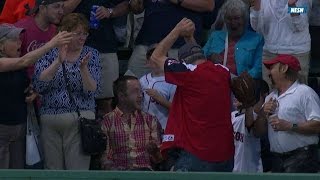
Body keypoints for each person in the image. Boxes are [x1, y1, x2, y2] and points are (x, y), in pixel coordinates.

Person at [151, 18, 234, 172]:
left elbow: (155, 58)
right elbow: (198, 62)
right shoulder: (222, 71)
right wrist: (189, 37)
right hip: (225, 156)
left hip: (198, 155)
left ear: (183, 62)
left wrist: (177, 30)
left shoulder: (187, 73)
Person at [32, 13, 101, 170]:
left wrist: (83, 69)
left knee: (77, 170)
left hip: (80, 120)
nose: (82, 37)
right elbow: (39, 85)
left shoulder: (92, 54)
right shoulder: (48, 52)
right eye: (78, 33)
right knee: (52, 169)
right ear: (64, 33)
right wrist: (58, 62)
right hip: (50, 118)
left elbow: (92, 92)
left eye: (85, 33)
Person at [0, 23, 72, 169]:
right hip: (2, 130)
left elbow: (25, 86)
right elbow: (24, 60)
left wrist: (33, 92)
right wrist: (52, 44)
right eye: (14, 40)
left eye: (19, 39)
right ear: (1, 45)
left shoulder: (20, 67)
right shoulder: (8, 62)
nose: (20, 43)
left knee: (17, 173)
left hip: (20, 128)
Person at [254, 54, 320, 173]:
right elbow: (258, 132)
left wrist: (290, 126)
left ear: (284, 69)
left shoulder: (305, 93)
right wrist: (263, 114)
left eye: (272, 68)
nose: (269, 73)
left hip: (302, 158)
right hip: (276, 159)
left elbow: (317, 125)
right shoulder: (270, 97)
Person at [128, 0, 214, 78]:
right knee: (132, 84)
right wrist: (136, 4)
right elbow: (137, 9)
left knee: (176, 89)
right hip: (147, 43)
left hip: (179, 47)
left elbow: (209, 5)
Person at [74, 0, 130, 116]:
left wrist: (110, 11)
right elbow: (62, 9)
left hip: (106, 46)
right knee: (79, 97)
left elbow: (126, 4)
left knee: (108, 100)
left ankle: (107, 132)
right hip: (76, 48)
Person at [100, 75, 162, 170]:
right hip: (119, 174)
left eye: (140, 91)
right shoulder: (107, 121)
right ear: (121, 96)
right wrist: (115, 171)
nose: (140, 95)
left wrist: (154, 152)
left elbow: (158, 160)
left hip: (144, 173)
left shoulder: (150, 120)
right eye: (135, 91)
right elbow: (105, 157)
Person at [250, 0, 312, 85]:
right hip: (270, 52)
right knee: (270, 92)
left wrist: (292, 5)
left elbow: (300, 26)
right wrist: (256, 6)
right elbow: (257, 28)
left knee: (297, 93)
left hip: (296, 53)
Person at [203, 0, 263, 79]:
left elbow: (258, 68)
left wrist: (244, 79)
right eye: (229, 18)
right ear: (224, 20)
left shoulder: (256, 39)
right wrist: (210, 57)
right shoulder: (215, 36)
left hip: (241, 86)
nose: (233, 22)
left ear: (245, 19)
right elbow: (200, 57)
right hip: (214, 80)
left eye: (237, 18)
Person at [231, 80, 269, 172]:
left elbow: (249, 122)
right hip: (232, 172)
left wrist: (248, 106)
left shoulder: (260, 119)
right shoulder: (232, 115)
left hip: (253, 173)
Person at [140, 44, 176, 130]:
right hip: (143, 128)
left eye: (158, 59)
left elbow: (177, 110)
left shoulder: (173, 82)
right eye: (153, 59)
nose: (155, 62)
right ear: (147, 62)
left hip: (163, 128)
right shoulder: (142, 80)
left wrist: (160, 99)